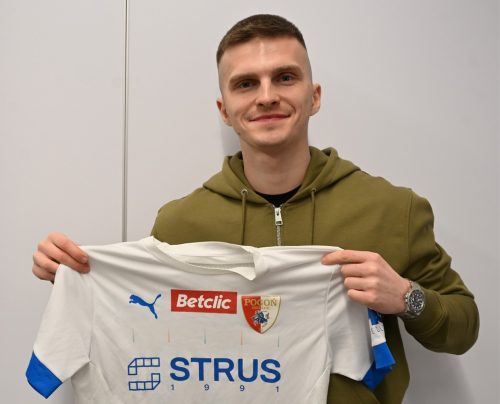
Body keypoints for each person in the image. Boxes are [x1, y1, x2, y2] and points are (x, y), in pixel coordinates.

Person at [31, 14, 479, 404]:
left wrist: (406, 296)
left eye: (285, 77)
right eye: (246, 83)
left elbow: (464, 329)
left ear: (314, 96)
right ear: (225, 110)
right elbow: (150, 333)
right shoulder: (180, 223)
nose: (266, 96)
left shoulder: (392, 210)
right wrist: (79, 278)